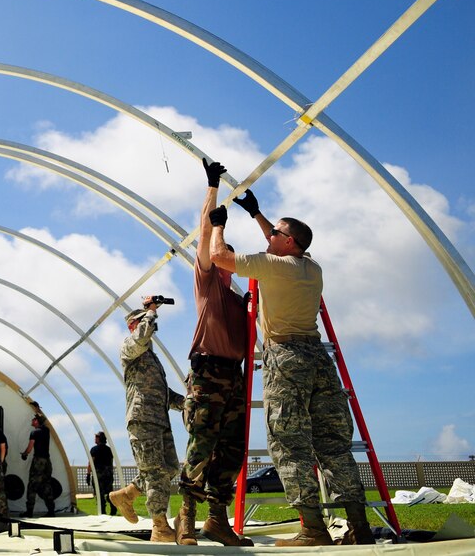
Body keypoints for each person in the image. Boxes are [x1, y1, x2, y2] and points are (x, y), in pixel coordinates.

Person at [209, 191, 373, 546]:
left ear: (288, 243)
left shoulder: (273, 265)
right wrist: (257, 214)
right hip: (318, 359)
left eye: (274, 235)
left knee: (288, 444)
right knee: (334, 446)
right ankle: (359, 527)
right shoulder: (310, 266)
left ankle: (313, 530)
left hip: (286, 359)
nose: (268, 238)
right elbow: (282, 241)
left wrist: (218, 226)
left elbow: (218, 257)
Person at [173, 160, 253, 547]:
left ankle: (217, 520)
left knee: (233, 451)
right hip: (207, 374)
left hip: (233, 377)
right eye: (221, 256)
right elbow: (205, 235)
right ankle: (185, 518)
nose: (223, 261)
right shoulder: (208, 284)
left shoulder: (240, 299)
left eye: (228, 259)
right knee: (201, 447)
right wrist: (212, 187)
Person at [107, 298, 184, 543]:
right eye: (146, 323)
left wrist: (187, 402)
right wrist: (150, 312)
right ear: (134, 326)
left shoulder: (151, 357)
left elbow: (161, 392)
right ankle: (159, 527)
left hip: (158, 420)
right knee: (155, 473)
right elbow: (141, 336)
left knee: (169, 468)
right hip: (142, 420)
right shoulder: (130, 346)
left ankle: (127, 495)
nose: (151, 327)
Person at [20, 413, 57, 517]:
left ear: (36, 421)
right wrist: (37, 408)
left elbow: (30, 447)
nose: (32, 421)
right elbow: (42, 419)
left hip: (38, 461)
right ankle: (51, 510)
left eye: (33, 419)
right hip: (47, 461)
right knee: (47, 485)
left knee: (32, 486)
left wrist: (24, 454)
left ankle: (29, 511)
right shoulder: (46, 431)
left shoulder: (34, 433)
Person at [88, 432, 116, 516]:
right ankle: (113, 508)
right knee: (109, 492)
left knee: (99, 494)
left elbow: (91, 463)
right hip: (108, 474)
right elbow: (111, 462)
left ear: (99, 439)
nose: (95, 439)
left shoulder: (94, 449)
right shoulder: (109, 449)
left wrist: (88, 474)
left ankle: (103, 511)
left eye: (96, 437)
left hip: (98, 474)